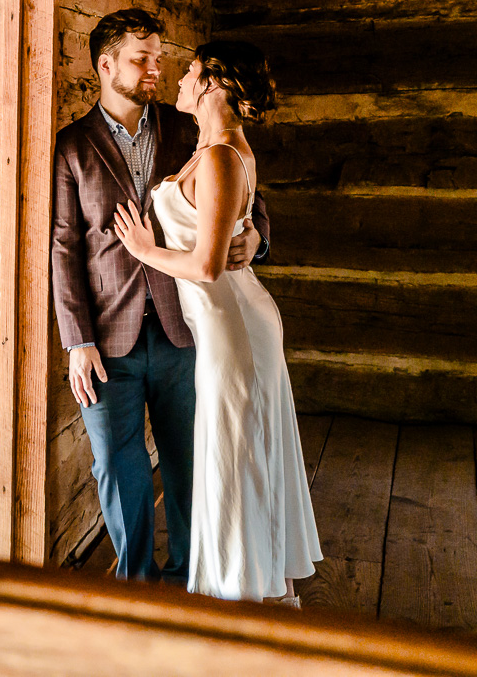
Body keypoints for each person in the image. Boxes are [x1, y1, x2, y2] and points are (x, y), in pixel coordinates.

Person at [50, 9, 269, 583]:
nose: (156, 69)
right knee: (117, 467)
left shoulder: (186, 128)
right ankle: (137, 586)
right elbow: (64, 247)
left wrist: (254, 237)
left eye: (159, 58)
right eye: (141, 59)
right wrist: (77, 341)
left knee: (191, 462)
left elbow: (248, 194)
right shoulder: (72, 146)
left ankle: (193, 580)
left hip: (186, 328)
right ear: (106, 64)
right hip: (106, 340)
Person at [111, 40, 322, 603]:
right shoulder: (211, 149)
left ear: (211, 84)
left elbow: (205, 265)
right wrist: (249, 232)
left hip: (231, 324)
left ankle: (242, 592)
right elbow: (232, 221)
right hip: (220, 321)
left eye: (190, 73)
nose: (178, 81)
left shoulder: (225, 155)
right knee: (236, 450)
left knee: (235, 454)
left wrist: (143, 248)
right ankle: (248, 580)